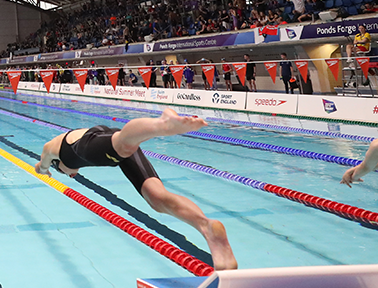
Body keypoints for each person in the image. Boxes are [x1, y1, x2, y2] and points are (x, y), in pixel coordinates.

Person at [35, 107, 236, 270]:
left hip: (93, 141)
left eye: (64, 172)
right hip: (111, 136)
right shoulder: (68, 153)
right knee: (157, 197)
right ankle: (206, 226)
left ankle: (163, 124)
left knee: (123, 144)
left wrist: (44, 169)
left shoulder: (56, 149)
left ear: (57, 164)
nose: (72, 174)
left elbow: (41, 165)